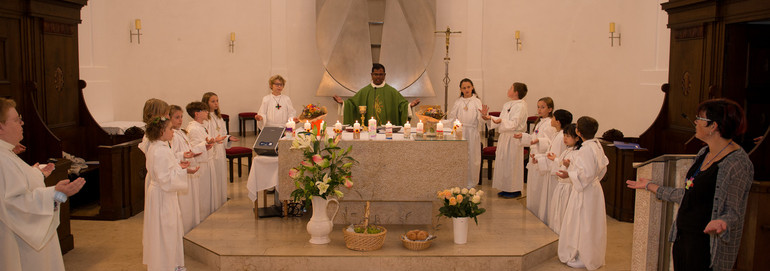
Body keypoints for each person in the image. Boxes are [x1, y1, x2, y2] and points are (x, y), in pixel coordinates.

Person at [627, 99, 754, 271]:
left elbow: (733, 210)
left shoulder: (737, 163)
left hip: (706, 245)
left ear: (713, 126)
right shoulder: (704, 153)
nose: (695, 122)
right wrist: (652, 186)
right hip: (684, 237)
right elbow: (690, 194)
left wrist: (722, 222)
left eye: (699, 119)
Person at [0, 98, 85, 270]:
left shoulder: (6, 154)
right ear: (1, 127)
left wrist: (37, 173)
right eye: (16, 120)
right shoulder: (2, 159)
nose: (22, 123)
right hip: (20, 243)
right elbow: (11, 205)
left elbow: (17, 184)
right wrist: (55, 194)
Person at [142, 116, 198, 271]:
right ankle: (166, 265)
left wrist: (179, 166)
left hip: (161, 193)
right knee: (166, 231)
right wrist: (183, 170)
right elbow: (166, 179)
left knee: (169, 230)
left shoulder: (158, 146)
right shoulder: (160, 150)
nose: (173, 131)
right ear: (161, 131)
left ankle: (173, 263)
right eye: (170, 129)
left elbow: (166, 169)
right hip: (163, 196)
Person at [556, 116, 608, 270]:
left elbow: (584, 175)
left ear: (578, 132)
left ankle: (583, 257)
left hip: (584, 191)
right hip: (594, 189)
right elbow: (602, 167)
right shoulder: (596, 144)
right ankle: (592, 255)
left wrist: (569, 174)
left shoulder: (585, 149)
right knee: (592, 223)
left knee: (582, 223)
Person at [332, 63, 420, 126]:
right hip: (368, 130)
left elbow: (402, 105)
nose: (378, 77)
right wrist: (343, 103)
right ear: (371, 75)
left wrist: (409, 106)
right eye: (376, 74)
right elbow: (352, 104)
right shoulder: (364, 91)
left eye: (381, 74)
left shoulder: (392, 92)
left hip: (387, 132)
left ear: (384, 75)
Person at [482, 82, 529, 198]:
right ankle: (505, 187)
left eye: (511, 88)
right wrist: (489, 117)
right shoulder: (507, 104)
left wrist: (500, 121)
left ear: (516, 92)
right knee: (503, 162)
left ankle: (514, 189)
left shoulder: (521, 105)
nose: (508, 89)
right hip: (504, 137)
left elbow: (515, 123)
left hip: (514, 137)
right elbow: (501, 119)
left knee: (512, 163)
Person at [443, 78, 485, 188]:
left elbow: (481, 119)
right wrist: (439, 122)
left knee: (472, 157)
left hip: (472, 132)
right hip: (459, 132)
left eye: (468, 87)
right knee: (459, 156)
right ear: (460, 89)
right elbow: (452, 119)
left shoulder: (477, 101)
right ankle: (459, 181)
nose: (466, 90)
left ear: (472, 87)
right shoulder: (458, 102)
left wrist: (484, 116)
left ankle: (471, 183)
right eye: (464, 88)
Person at [169, 105, 203, 233]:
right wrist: (183, 155)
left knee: (191, 203)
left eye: (181, 117)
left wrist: (197, 151)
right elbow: (171, 155)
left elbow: (187, 149)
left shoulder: (181, 132)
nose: (180, 120)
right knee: (185, 205)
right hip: (182, 171)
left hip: (188, 169)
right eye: (177, 117)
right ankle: (184, 229)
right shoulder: (172, 135)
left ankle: (191, 227)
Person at [202, 92, 238, 209]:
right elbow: (204, 135)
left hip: (220, 148)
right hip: (211, 148)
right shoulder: (204, 118)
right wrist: (214, 140)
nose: (216, 103)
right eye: (213, 101)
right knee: (214, 173)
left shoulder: (219, 117)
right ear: (206, 103)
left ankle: (221, 197)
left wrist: (228, 138)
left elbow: (223, 133)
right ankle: (214, 198)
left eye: (217, 101)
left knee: (221, 172)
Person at [524, 97, 557, 221]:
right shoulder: (539, 122)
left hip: (541, 157)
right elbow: (534, 137)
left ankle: (539, 210)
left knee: (539, 186)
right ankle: (533, 208)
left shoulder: (550, 123)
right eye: (538, 107)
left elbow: (550, 142)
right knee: (532, 184)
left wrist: (539, 141)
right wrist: (523, 137)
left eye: (542, 107)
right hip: (534, 155)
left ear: (550, 109)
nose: (539, 109)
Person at [186, 102, 217, 219]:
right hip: (201, 164)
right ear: (196, 114)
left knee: (208, 191)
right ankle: (202, 214)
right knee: (203, 192)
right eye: (204, 110)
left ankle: (208, 212)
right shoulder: (193, 129)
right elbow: (193, 148)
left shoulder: (201, 126)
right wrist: (206, 144)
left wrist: (209, 142)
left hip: (207, 161)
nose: (207, 112)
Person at [547, 122, 580, 234]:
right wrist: (556, 159)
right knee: (557, 212)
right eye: (564, 135)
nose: (565, 138)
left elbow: (577, 170)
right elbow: (561, 163)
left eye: (568, 136)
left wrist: (568, 166)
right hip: (561, 186)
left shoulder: (577, 153)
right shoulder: (567, 150)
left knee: (564, 213)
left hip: (568, 188)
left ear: (577, 138)